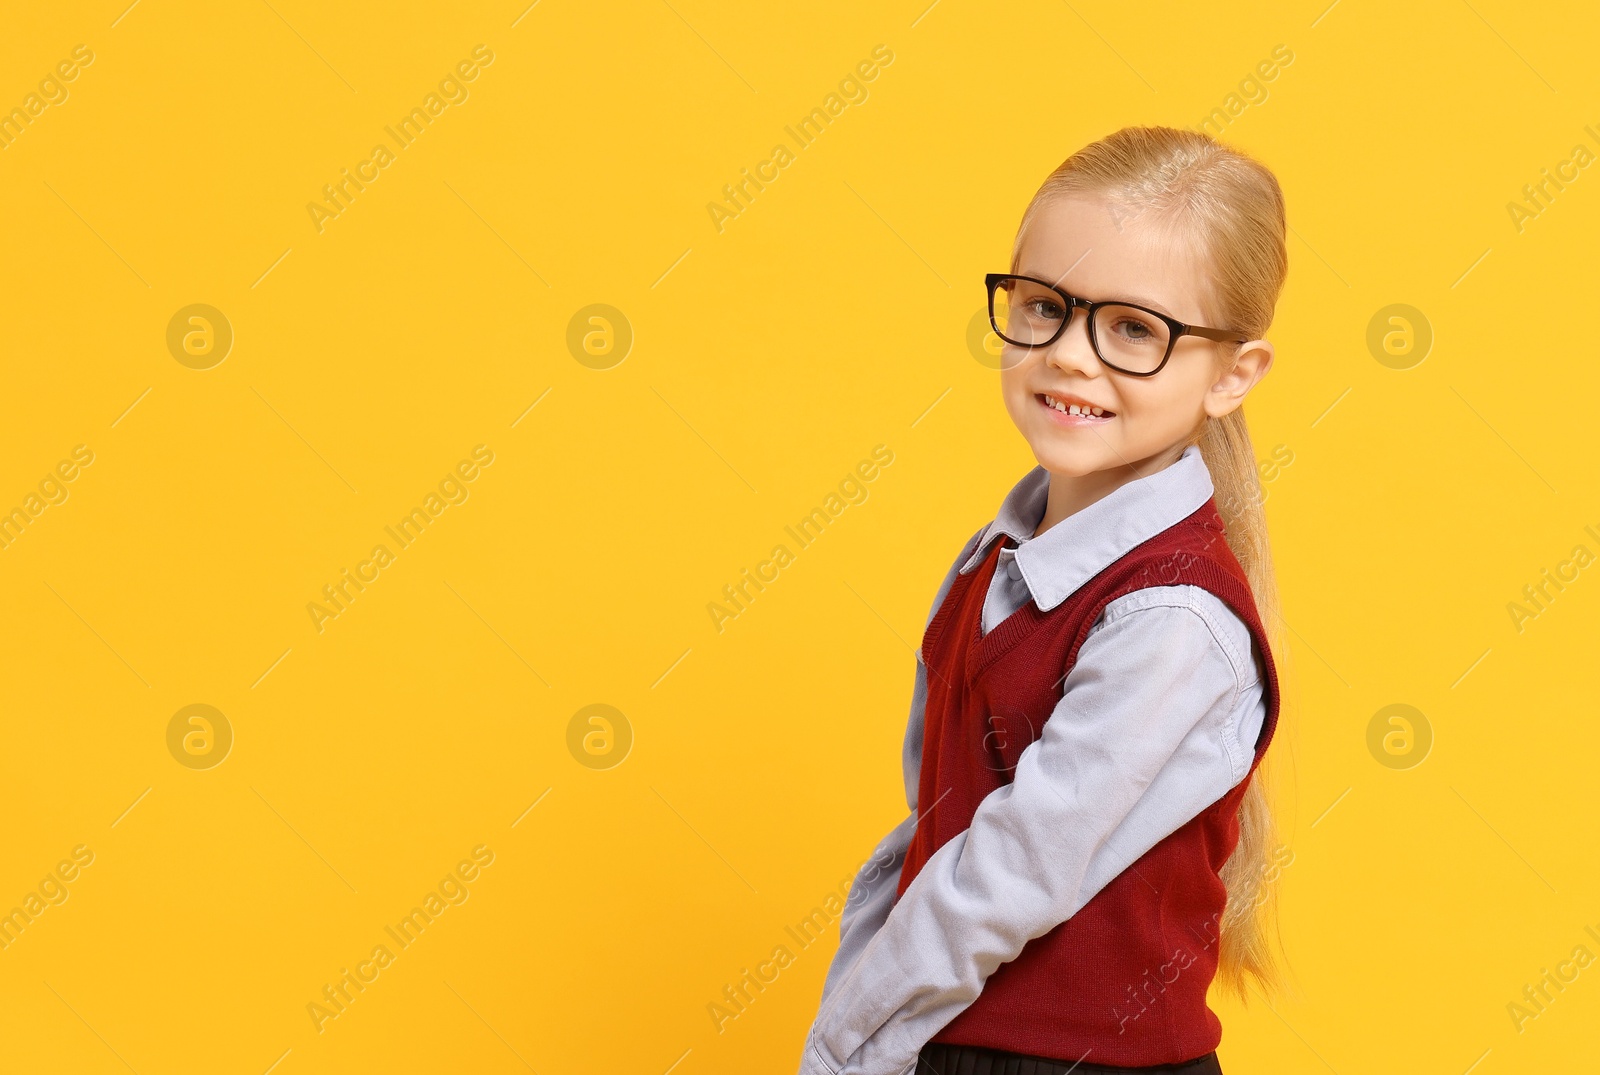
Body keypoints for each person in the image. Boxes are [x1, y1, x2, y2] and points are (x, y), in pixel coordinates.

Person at [796, 125, 1293, 1075]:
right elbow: (938, 821)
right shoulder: (998, 558)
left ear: (1232, 374)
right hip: (946, 1041)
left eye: (1135, 329)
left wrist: (843, 1046)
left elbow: (1008, 872)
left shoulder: (1172, 619)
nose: (1069, 354)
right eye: (1043, 306)